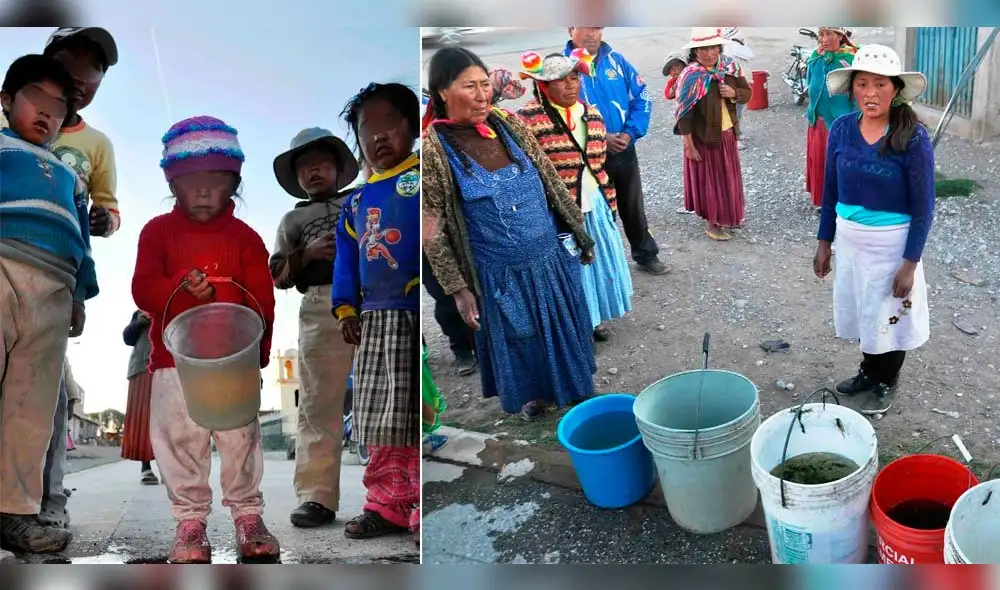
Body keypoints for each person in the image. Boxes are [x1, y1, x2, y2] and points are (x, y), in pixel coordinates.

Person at [131, 116, 279, 563]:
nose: (200, 192)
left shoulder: (246, 239)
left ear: (234, 182)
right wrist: (178, 284)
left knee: (240, 439)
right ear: (171, 183)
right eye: (188, 181)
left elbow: (263, 301)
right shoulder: (158, 232)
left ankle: (248, 517)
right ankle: (190, 525)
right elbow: (143, 289)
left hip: (232, 365)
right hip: (173, 366)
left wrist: (260, 354)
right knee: (179, 441)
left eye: (213, 181)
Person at [422, 46, 597, 422]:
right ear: (442, 93)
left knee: (568, 326)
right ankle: (538, 398)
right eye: (470, 87)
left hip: (548, 256)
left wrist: (579, 233)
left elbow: (549, 177)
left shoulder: (509, 123)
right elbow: (431, 228)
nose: (483, 94)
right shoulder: (435, 151)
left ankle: (579, 392)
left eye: (485, 84)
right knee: (523, 338)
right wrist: (458, 287)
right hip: (500, 272)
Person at [0, 54, 95, 555]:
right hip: (2, 265)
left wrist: (80, 294)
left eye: (59, 107)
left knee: (31, 408)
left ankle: (15, 514)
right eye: (36, 97)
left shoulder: (70, 177)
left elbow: (84, 240)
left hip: (56, 289)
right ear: (6, 100)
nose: (47, 113)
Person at [814, 45, 934, 416]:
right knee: (863, 311)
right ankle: (868, 372)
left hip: (892, 246)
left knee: (889, 316)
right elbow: (830, 189)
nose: (870, 92)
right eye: (862, 84)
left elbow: (924, 206)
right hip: (850, 242)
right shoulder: (842, 130)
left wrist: (910, 264)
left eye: (879, 84)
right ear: (852, 90)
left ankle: (887, 380)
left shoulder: (913, 137)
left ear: (894, 89)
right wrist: (824, 242)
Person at [333, 82, 421, 544]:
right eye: (367, 129)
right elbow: (345, 261)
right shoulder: (354, 202)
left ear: (412, 126)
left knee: (413, 410)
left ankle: (423, 504)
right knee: (378, 414)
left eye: (391, 124)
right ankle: (384, 504)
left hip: (413, 316)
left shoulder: (425, 178)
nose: (379, 136)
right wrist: (345, 308)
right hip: (373, 320)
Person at [270, 127, 359, 529]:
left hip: (372, 299)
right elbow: (278, 275)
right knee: (318, 403)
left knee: (391, 392)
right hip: (320, 305)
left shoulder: (361, 200)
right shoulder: (293, 219)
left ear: (339, 169)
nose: (313, 173)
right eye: (305, 168)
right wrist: (306, 253)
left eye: (321, 164)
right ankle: (316, 497)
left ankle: (398, 490)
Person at [517, 50, 633, 343]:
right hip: (558, 213)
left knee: (596, 266)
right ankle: (576, 325)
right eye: (561, 80)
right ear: (543, 86)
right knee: (568, 270)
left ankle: (593, 319)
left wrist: (607, 199)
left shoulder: (591, 114)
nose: (571, 85)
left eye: (574, 77)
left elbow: (597, 161)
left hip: (595, 203)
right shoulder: (527, 121)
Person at [565, 27, 668, 275]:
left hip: (623, 148)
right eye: (585, 26)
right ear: (570, 29)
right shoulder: (562, 68)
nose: (592, 33)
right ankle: (604, 266)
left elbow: (641, 98)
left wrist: (629, 133)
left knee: (632, 204)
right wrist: (600, 137)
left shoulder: (617, 62)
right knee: (597, 210)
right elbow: (561, 114)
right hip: (586, 156)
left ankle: (645, 254)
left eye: (597, 27)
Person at [674, 27, 751, 242]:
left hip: (727, 134)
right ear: (695, 52)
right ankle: (712, 223)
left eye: (712, 47)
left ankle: (729, 216)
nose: (709, 53)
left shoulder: (730, 67)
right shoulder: (691, 76)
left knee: (728, 177)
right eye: (702, 49)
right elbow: (684, 114)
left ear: (720, 47)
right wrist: (688, 145)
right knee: (711, 180)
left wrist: (734, 93)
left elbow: (748, 93)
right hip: (704, 137)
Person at [805, 27, 857, 210]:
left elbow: (857, 95)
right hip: (817, 120)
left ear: (840, 37)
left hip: (838, 123)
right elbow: (809, 81)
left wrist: (856, 122)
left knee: (836, 162)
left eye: (829, 34)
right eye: (821, 34)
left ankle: (837, 200)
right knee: (819, 160)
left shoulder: (850, 61)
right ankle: (821, 200)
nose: (824, 39)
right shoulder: (815, 58)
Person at [121, 310, 158, 485]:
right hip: (143, 367)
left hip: (171, 368)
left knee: (170, 419)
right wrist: (138, 323)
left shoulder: (174, 303)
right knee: (144, 419)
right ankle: (146, 467)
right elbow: (127, 338)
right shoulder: (140, 312)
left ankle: (172, 468)